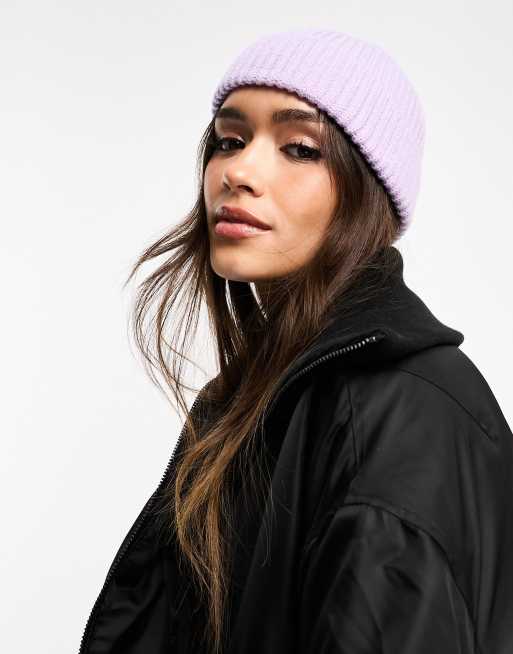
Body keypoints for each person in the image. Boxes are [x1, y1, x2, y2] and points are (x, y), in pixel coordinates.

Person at [78, 29, 513, 654]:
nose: (238, 172)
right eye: (230, 141)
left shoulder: (399, 410)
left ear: (369, 192)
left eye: (301, 149)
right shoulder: (263, 395)